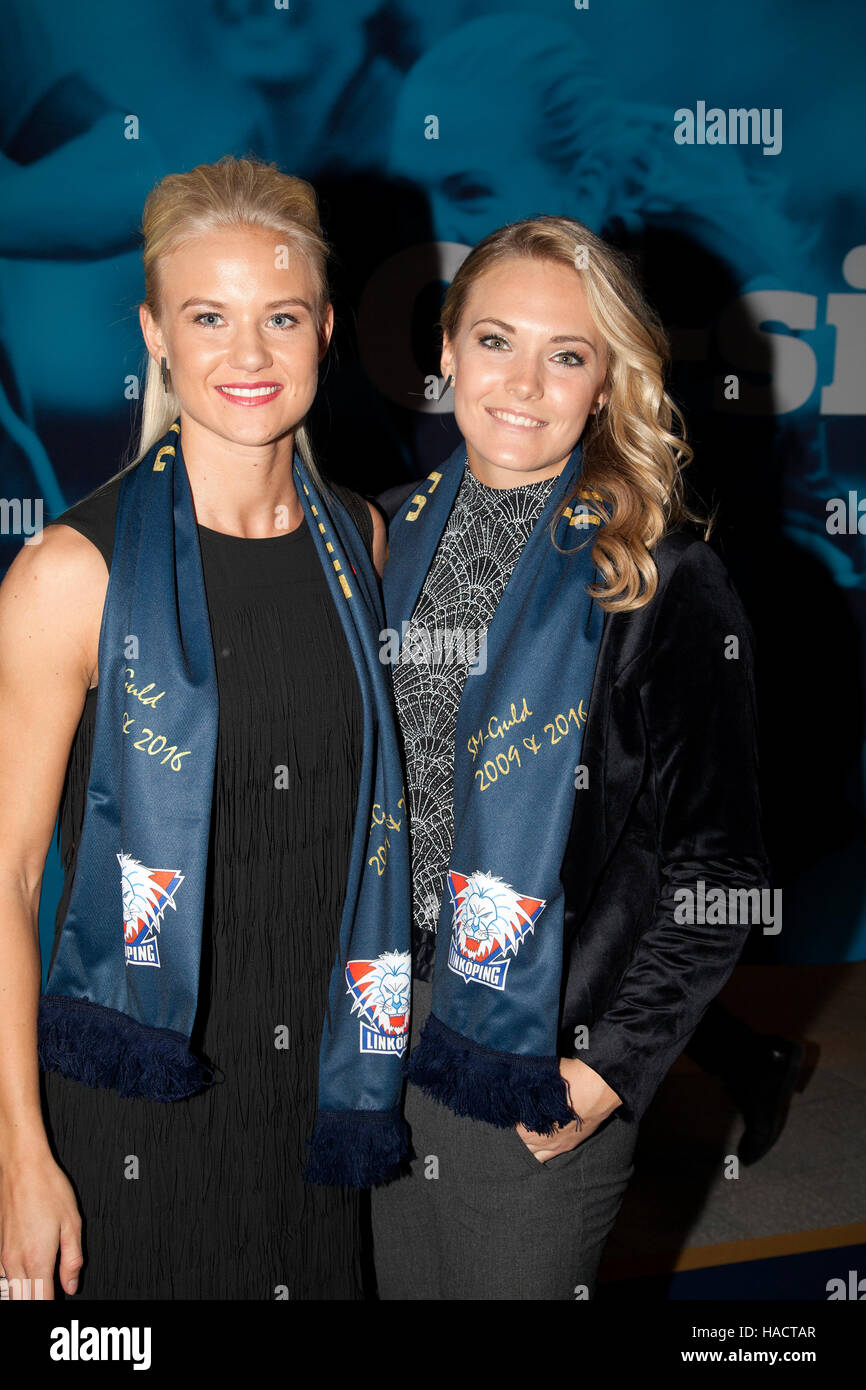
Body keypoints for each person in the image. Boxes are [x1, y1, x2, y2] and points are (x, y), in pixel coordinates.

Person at [0, 155, 412, 1302]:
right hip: (134, 1084)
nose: (247, 355)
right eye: (208, 317)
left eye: (279, 316)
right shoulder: (69, 575)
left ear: (325, 329)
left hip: (323, 1083)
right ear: (156, 334)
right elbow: (5, 870)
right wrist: (16, 1155)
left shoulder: (360, 545)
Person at [371, 216, 770, 1300]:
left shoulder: (658, 578)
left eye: (567, 353)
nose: (523, 382)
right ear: (444, 351)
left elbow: (720, 872)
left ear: (606, 383)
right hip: (371, 1038)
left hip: (534, 1057)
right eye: (494, 340)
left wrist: (606, 1071)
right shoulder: (377, 539)